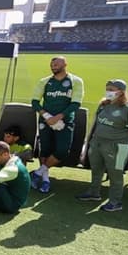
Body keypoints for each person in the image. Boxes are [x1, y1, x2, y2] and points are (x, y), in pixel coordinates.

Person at [76, 79, 128, 212]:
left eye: (112, 89)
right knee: (96, 169)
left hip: (118, 146)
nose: (108, 92)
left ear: (121, 92)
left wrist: (116, 136)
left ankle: (115, 202)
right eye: (107, 89)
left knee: (115, 174)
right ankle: (94, 193)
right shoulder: (104, 104)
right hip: (97, 143)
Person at [30, 56, 84, 194]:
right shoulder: (44, 81)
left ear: (65, 64)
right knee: (45, 150)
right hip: (45, 120)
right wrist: (47, 116)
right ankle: (45, 180)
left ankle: (37, 173)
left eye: (56, 64)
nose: (53, 66)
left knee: (62, 150)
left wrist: (59, 117)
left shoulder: (75, 81)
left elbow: (76, 103)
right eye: (52, 64)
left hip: (64, 122)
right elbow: (35, 102)